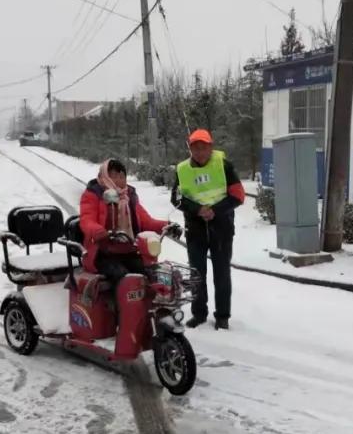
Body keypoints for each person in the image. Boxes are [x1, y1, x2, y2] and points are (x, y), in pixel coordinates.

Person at [171, 129, 245, 329]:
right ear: (190, 148)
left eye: (204, 147)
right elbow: (176, 198)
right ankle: (199, 313)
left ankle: (222, 316)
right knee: (196, 274)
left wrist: (215, 211)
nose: (200, 151)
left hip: (221, 229)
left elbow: (238, 195)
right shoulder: (182, 170)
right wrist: (198, 209)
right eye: (195, 147)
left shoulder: (224, 166)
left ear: (211, 147)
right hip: (195, 230)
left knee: (221, 274)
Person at [79, 158, 180, 286]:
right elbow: (86, 220)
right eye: (114, 175)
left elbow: (145, 221)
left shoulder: (129, 197)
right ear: (104, 176)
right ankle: (121, 306)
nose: (119, 180)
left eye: (122, 176)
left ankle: (155, 302)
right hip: (102, 253)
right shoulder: (93, 194)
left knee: (151, 272)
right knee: (123, 278)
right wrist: (99, 231)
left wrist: (167, 225)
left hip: (129, 250)